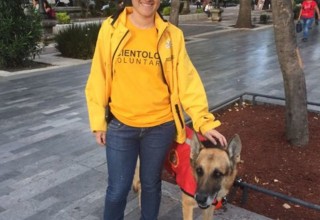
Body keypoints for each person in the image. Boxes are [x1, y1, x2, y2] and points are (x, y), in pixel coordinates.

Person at [85, 0, 227, 219]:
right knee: (117, 191)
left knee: (151, 185)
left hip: (160, 128)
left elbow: (187, 81)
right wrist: (97, 121)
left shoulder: (173, 35)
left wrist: (204, 121)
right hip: (121, 126)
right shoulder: (111, 29)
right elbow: (98, 77)